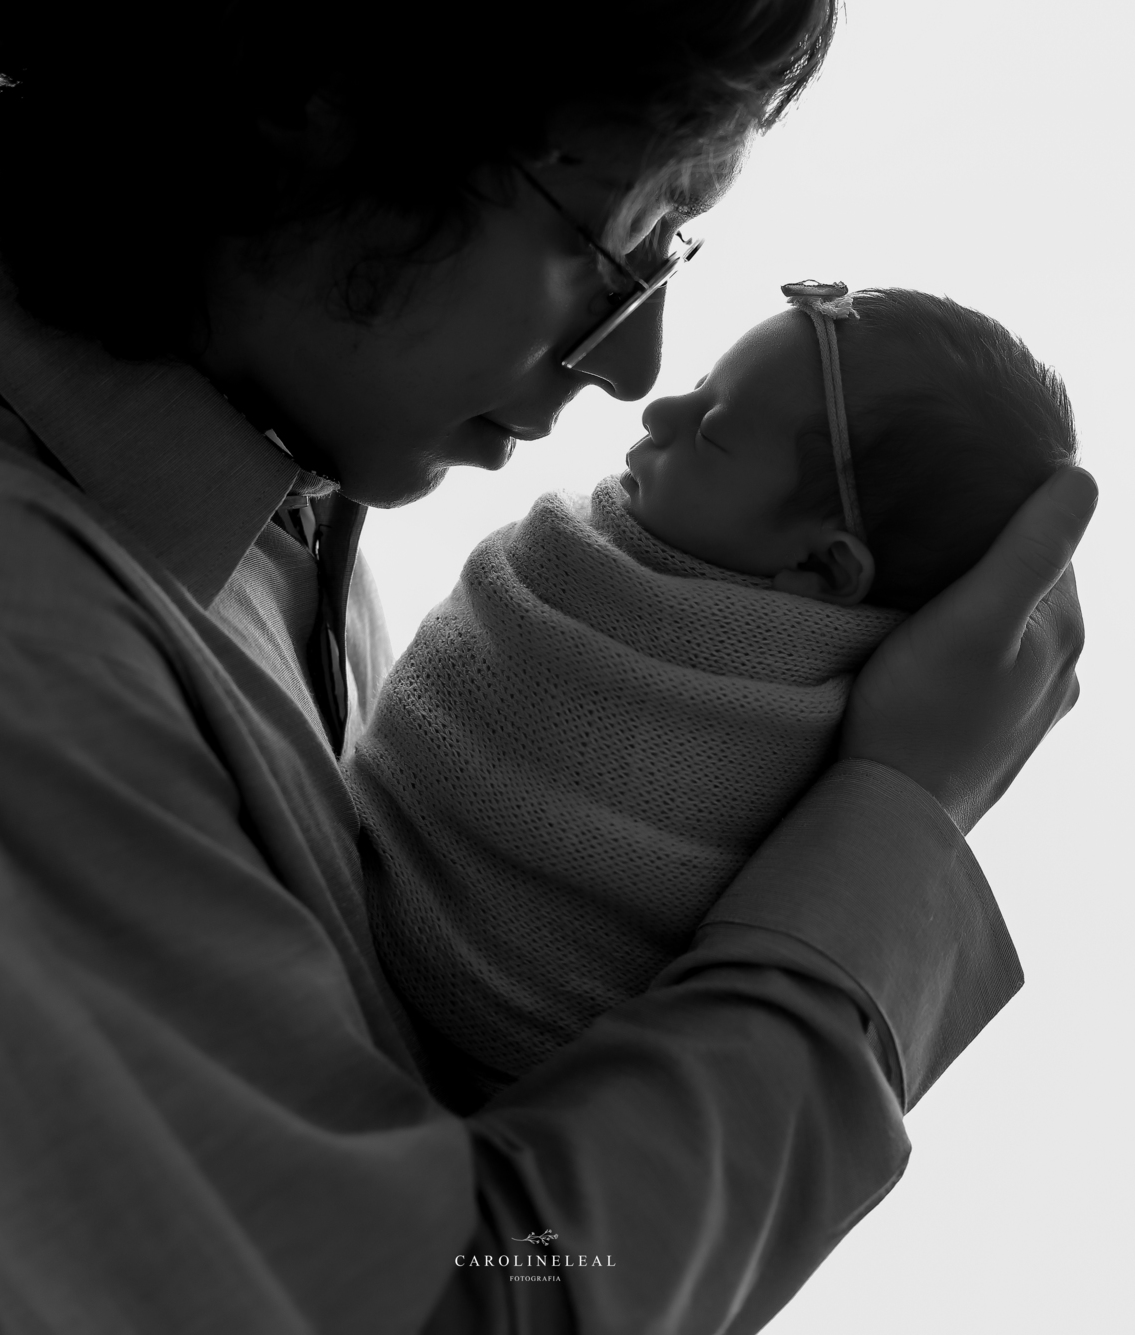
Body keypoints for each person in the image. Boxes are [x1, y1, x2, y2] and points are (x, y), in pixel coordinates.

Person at [0, 0, 1094, 1335]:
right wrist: (896, 829)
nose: (636, 367)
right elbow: (462, 1303)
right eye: (616, 243)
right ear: (315, 87)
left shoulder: (258, 503)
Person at [347, 284, 1079, 1110]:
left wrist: (907, 794)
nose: (659, 411)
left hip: (519, 1080)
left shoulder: (801, 721)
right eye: (699, 385)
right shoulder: (581, 567)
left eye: (713, 430)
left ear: (826, 566)